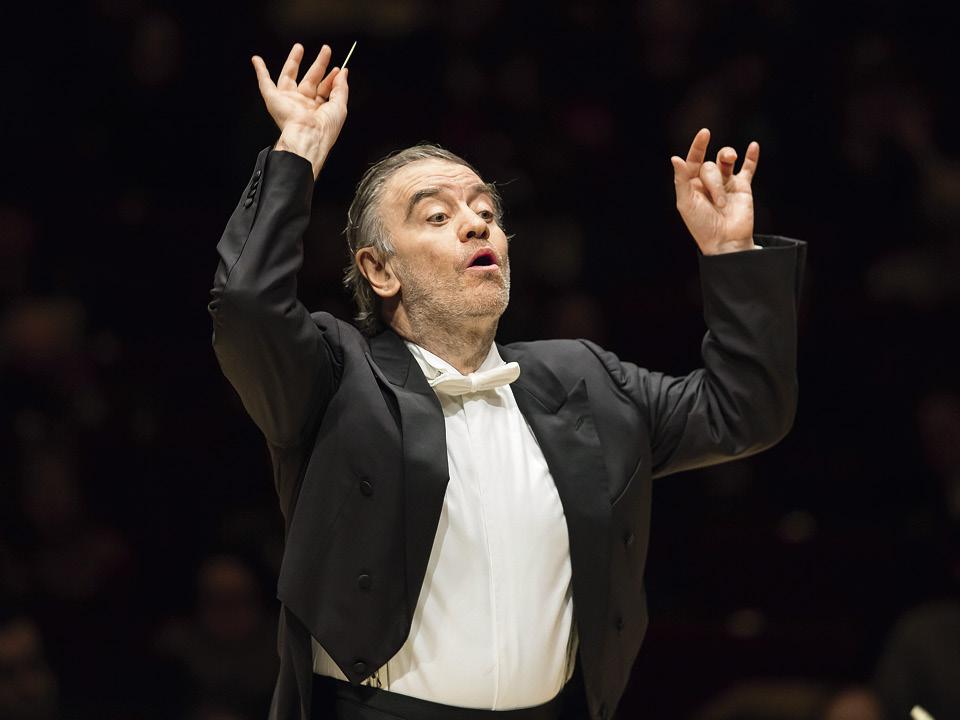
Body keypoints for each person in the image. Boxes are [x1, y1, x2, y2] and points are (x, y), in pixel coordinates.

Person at [209, 42, 806, 720]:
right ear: (379, 270)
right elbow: (247, 306)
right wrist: (300, 147)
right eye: (438, 216)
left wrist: (731, 256)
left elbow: (745, 411)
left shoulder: (584, 378)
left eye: (486, 212)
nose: (476, 223)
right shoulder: (336, 377)